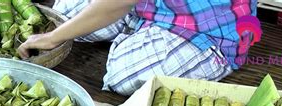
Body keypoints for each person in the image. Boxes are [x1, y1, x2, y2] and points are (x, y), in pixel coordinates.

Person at [18, 0, 258, 96]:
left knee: (124, 76)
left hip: (206, 27)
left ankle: (134, 30)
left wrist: (52, 38)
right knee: (61, 14)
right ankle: (134, 25)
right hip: (153, 6)